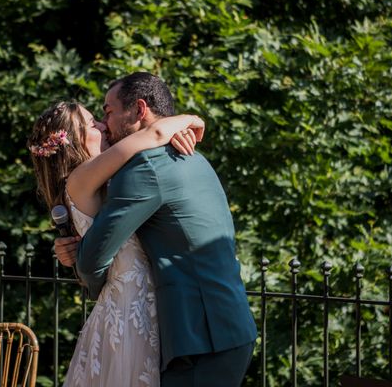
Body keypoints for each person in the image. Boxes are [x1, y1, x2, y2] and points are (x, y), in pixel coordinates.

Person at [56, 72, 257, 387]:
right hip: (227, 326)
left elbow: (93, 260)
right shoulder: (193, 157)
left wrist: (86, 269)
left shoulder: (145, 168)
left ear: (138, 110)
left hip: (202, 338)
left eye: (108, 112)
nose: (104, 123)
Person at [28, 99, 205, 387]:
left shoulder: (92, 180)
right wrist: (191, 119)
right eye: (91, 124)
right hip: (131, 307)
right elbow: (153, 135)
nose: (101, 125)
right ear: (73, 141)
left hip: (129, 302)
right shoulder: (83, 176)